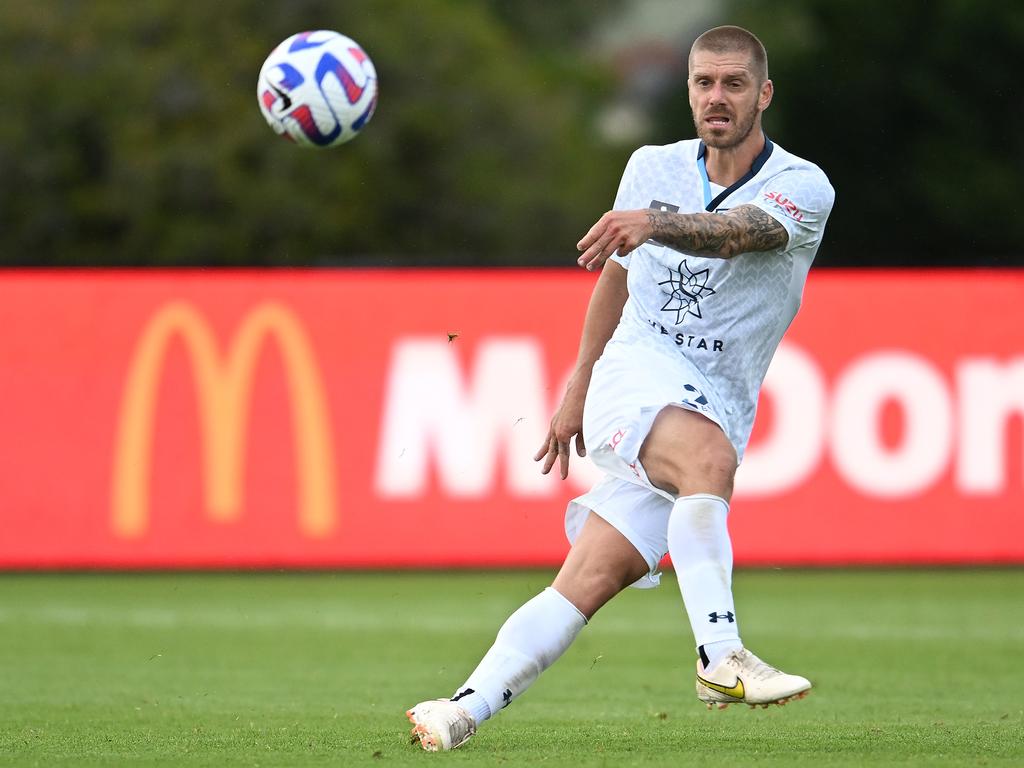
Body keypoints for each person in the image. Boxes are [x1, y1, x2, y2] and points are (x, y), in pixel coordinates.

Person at [406, 24, 835, 751]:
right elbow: (616, 275)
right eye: (703, 83)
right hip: (635, 376)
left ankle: (461, 709)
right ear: (690, 91)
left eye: (734, 83)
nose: (717, 97)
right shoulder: (651, 165)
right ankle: (720, 656)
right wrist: (578, 381)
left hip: (718, 399)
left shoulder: (803, 186)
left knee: (588, 577)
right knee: (706, 463)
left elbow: (740, 232)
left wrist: (654, 223)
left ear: (764, 94)